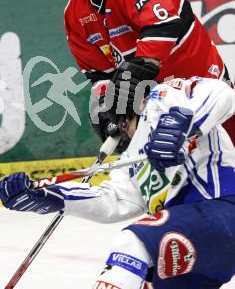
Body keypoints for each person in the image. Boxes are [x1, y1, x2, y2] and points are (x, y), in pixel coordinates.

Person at [1, 76, 235, 288]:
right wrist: (47, 196)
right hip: (200, 246)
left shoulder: (162, 98)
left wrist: (179, 125)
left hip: (222, 209)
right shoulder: (131, 160)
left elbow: (220, 92)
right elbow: (112, 199)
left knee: (133, 243)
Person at [56, 0, 235, 150]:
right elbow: (100, 75)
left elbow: (163, 26)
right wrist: (106, 109)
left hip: (203, 88)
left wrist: (132, 77)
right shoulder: (76, 13)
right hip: (160, 107)